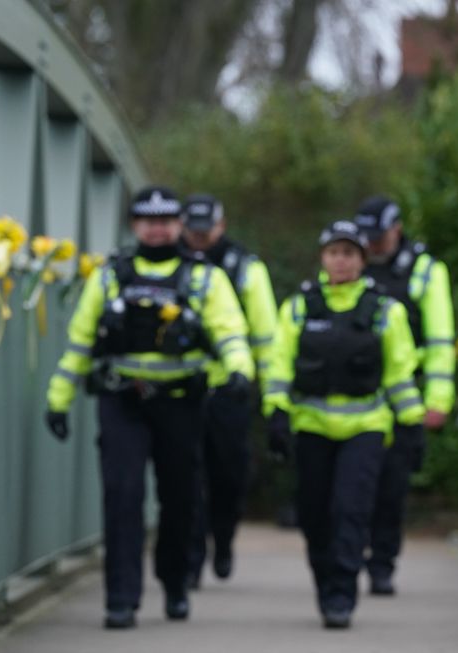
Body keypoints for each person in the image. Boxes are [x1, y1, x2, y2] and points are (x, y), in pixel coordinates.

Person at [44, 186, 253, 630]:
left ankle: (175, 582)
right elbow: (80, 342)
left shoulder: (203, 278)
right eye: (147, 219)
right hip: (122, 401)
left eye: (165, 220)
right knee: (122, 496)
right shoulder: (109, 276)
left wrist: (239, 371)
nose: (157, 228)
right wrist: (58, 398)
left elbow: (230, 329)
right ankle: (121, 599)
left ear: (178, 225)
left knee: (179, 498)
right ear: (134, 224)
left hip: (181, 403)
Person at [263, 220, 424, 629]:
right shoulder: (299, 306)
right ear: (322, 258)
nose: (341, 261)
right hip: (312, 426)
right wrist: (277, 412)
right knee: (315, 513)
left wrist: (411, 425)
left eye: (349, 253)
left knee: (350, 510)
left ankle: (342, 593)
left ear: (362, 260)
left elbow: (400, 374)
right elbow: (278, 364)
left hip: (366, 426)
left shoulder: (385, 310)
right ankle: (324, 579)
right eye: (334, 252)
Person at [353, 196, 456, 596]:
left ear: (396, 229)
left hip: (404, 397)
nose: (371, 245)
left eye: (377, 237)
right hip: (354, 392)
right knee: (352, 484)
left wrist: (438, 399)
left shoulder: (426, 271)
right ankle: (349, 555)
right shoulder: (349, 261)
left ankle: (381, 564)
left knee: (391, 487)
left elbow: (440, 340)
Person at [179, 194, 277, 588]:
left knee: (229, 476)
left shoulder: (246, 269)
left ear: (221, 225)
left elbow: (266, 337)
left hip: (230, 390)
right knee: (186, 475)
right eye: (194, 230)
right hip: (182, 387)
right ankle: (192, 557)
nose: (200, 238)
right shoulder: (168, 263)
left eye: (207, 230)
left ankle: (224, 539)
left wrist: (271, 398)